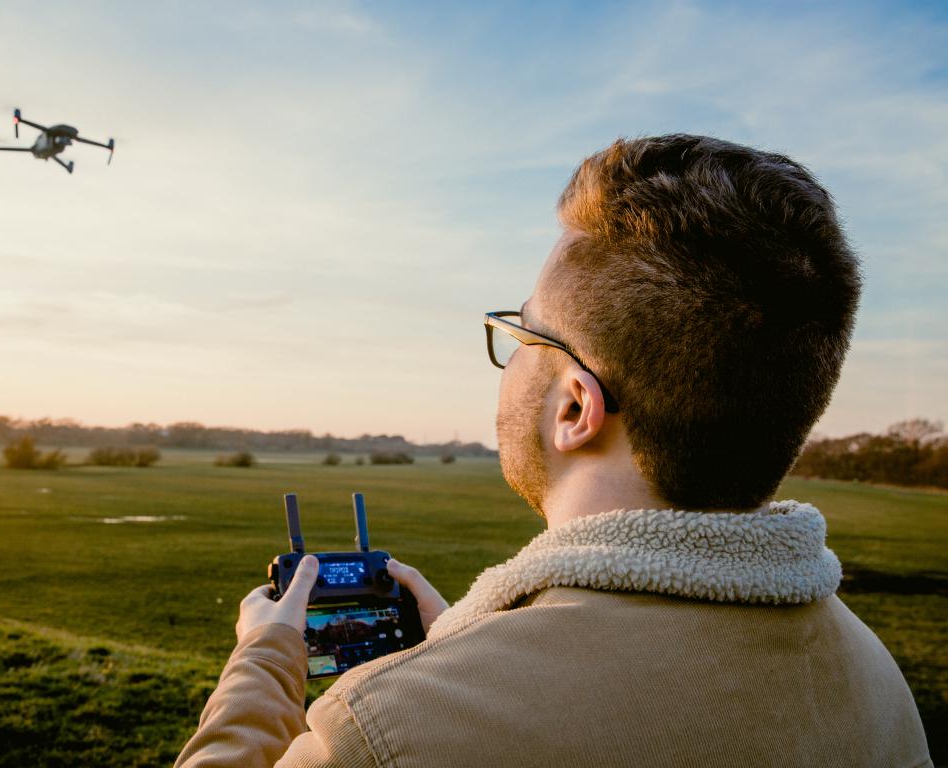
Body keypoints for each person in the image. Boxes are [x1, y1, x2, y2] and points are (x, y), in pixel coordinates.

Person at [175, 135, 932, 767]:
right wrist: (470, 647)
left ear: (576, 406)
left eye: (522, 334)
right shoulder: (875, 678)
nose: (511, 361)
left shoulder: (390, 734)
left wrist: (264, 661)